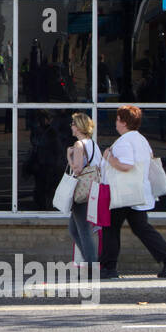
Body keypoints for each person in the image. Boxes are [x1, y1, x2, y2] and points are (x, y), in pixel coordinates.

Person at [100, 105, 166, 279]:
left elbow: (126, 165)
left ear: (123, 122)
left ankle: (108, 268)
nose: (116, 122)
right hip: (138, 192)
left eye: (117, 119)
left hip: (125, 193)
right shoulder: (141, 139)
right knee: (141, 228)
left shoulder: (125, 141)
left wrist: (108, 156)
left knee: (111, 228)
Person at [66, 112, 101, 264]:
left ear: (79, 127)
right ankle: (90, 261)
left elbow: (77, 169)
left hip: (81, 193)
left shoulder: (79, 145)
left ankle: (92, 264)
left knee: (83, 231)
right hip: (92, 191)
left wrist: (69, 156)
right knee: (74, 230)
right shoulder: (93, 144)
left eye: (73, 124)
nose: (71, 127)